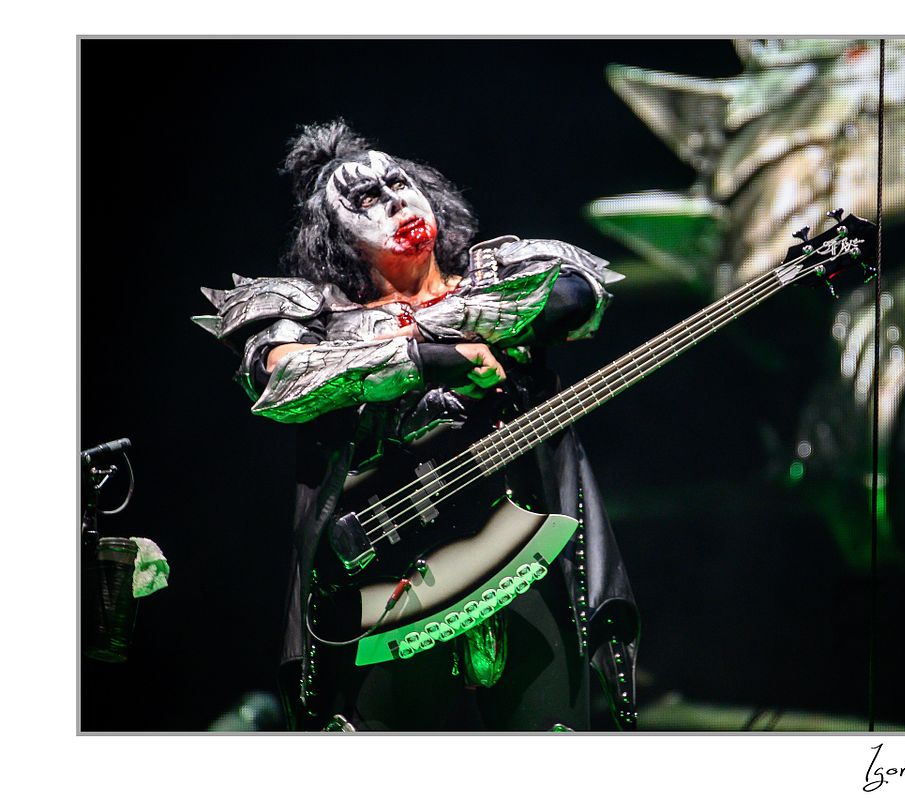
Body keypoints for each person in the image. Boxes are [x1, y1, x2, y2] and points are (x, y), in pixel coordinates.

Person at [194, 120, 638, 731]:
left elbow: (580, 295)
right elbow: (281, 381)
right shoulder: (310, 310)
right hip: (383, 582)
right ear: (336, 236)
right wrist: (427, 356)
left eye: (399, 182)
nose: (395, 201)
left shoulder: (497, 271)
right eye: (367, 199)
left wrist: (455, 318)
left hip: (526, 555)